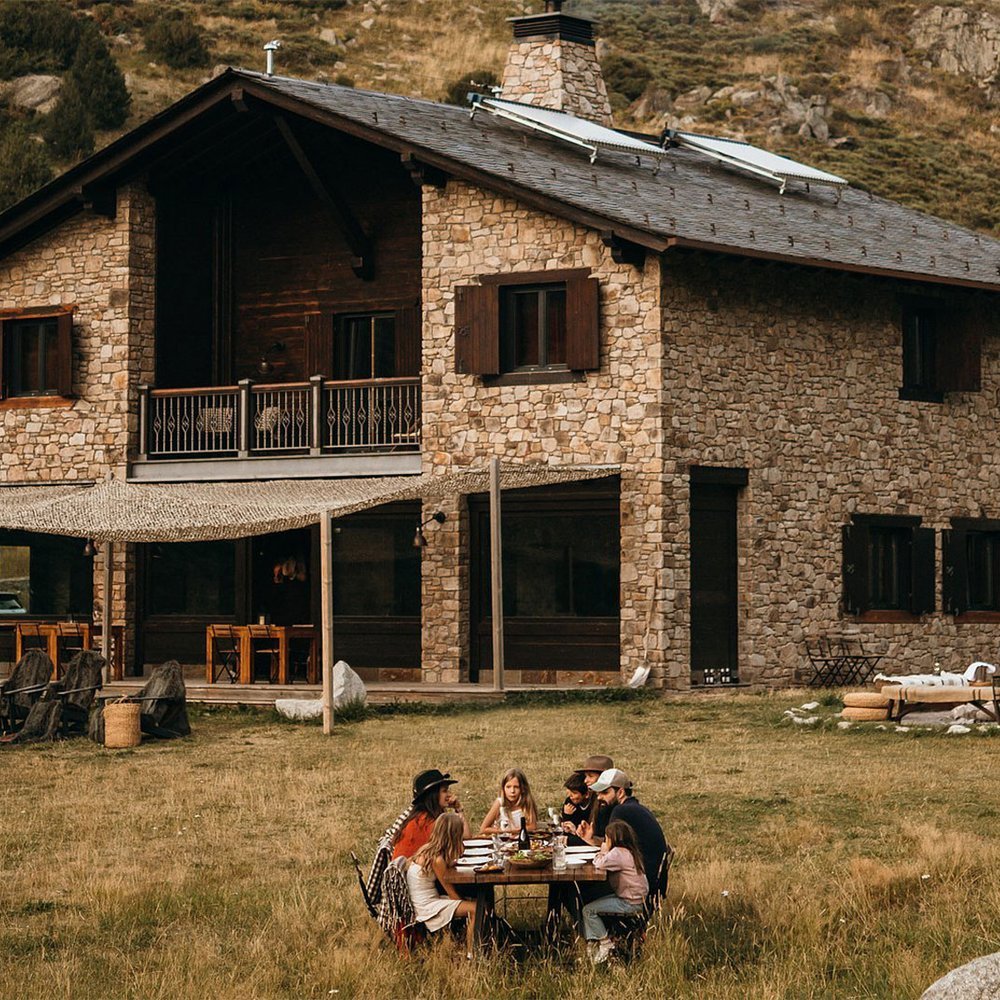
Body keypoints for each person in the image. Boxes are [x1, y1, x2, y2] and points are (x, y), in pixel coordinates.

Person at [581, 768, 668, 899]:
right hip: (649, 879)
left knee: (582, 889)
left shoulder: (621, 811)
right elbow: (612, 844)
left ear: (620, 792)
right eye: (598, 793)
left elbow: (609, 849)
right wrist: (592, 840)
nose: (599, 798)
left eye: (605, 792)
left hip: (640, 884)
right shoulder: (634, 807)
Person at [405, 813, 478, 957]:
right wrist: (465, 901)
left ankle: (472, 940)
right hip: (426, 907)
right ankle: (471, 953)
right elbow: (451, 893)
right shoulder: (437, 859)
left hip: (424, 900)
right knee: (476, 908)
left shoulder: (428, 849)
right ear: (454, 835)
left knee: (476, 903)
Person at [582, 820, 649, 964]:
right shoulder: (630, 851)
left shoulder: (618, 853)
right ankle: (593, 942)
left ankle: (604, 943)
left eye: (606, 838)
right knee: (593, 898)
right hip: (637, 899)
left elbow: (599, 863)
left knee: (588, 910)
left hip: (628, 903)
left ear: (612, 839)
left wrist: (603, 851)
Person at [391, 768, 471, 860]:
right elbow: (456, 852)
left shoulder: (425, 816)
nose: (449, 795)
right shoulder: (425, 821)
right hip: (410, 869)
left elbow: (466, 838)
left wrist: (458, 809)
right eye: (445, 791)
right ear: (433, 794)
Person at [479, 767, 537, 835]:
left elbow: (533, 826)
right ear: (503, 788)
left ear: (523, 788)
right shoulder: (500, 803)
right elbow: (483, 829)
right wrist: (506, 831)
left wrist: (518, 830)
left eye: (516, 787)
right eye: (508, 787)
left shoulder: (526, 802)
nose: (512, 791)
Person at [573, 754, 614, 839]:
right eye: (585, 776)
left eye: (590, 776)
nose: (585, 781)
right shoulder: (593, 796)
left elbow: (605, 838)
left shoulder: (610, 802)